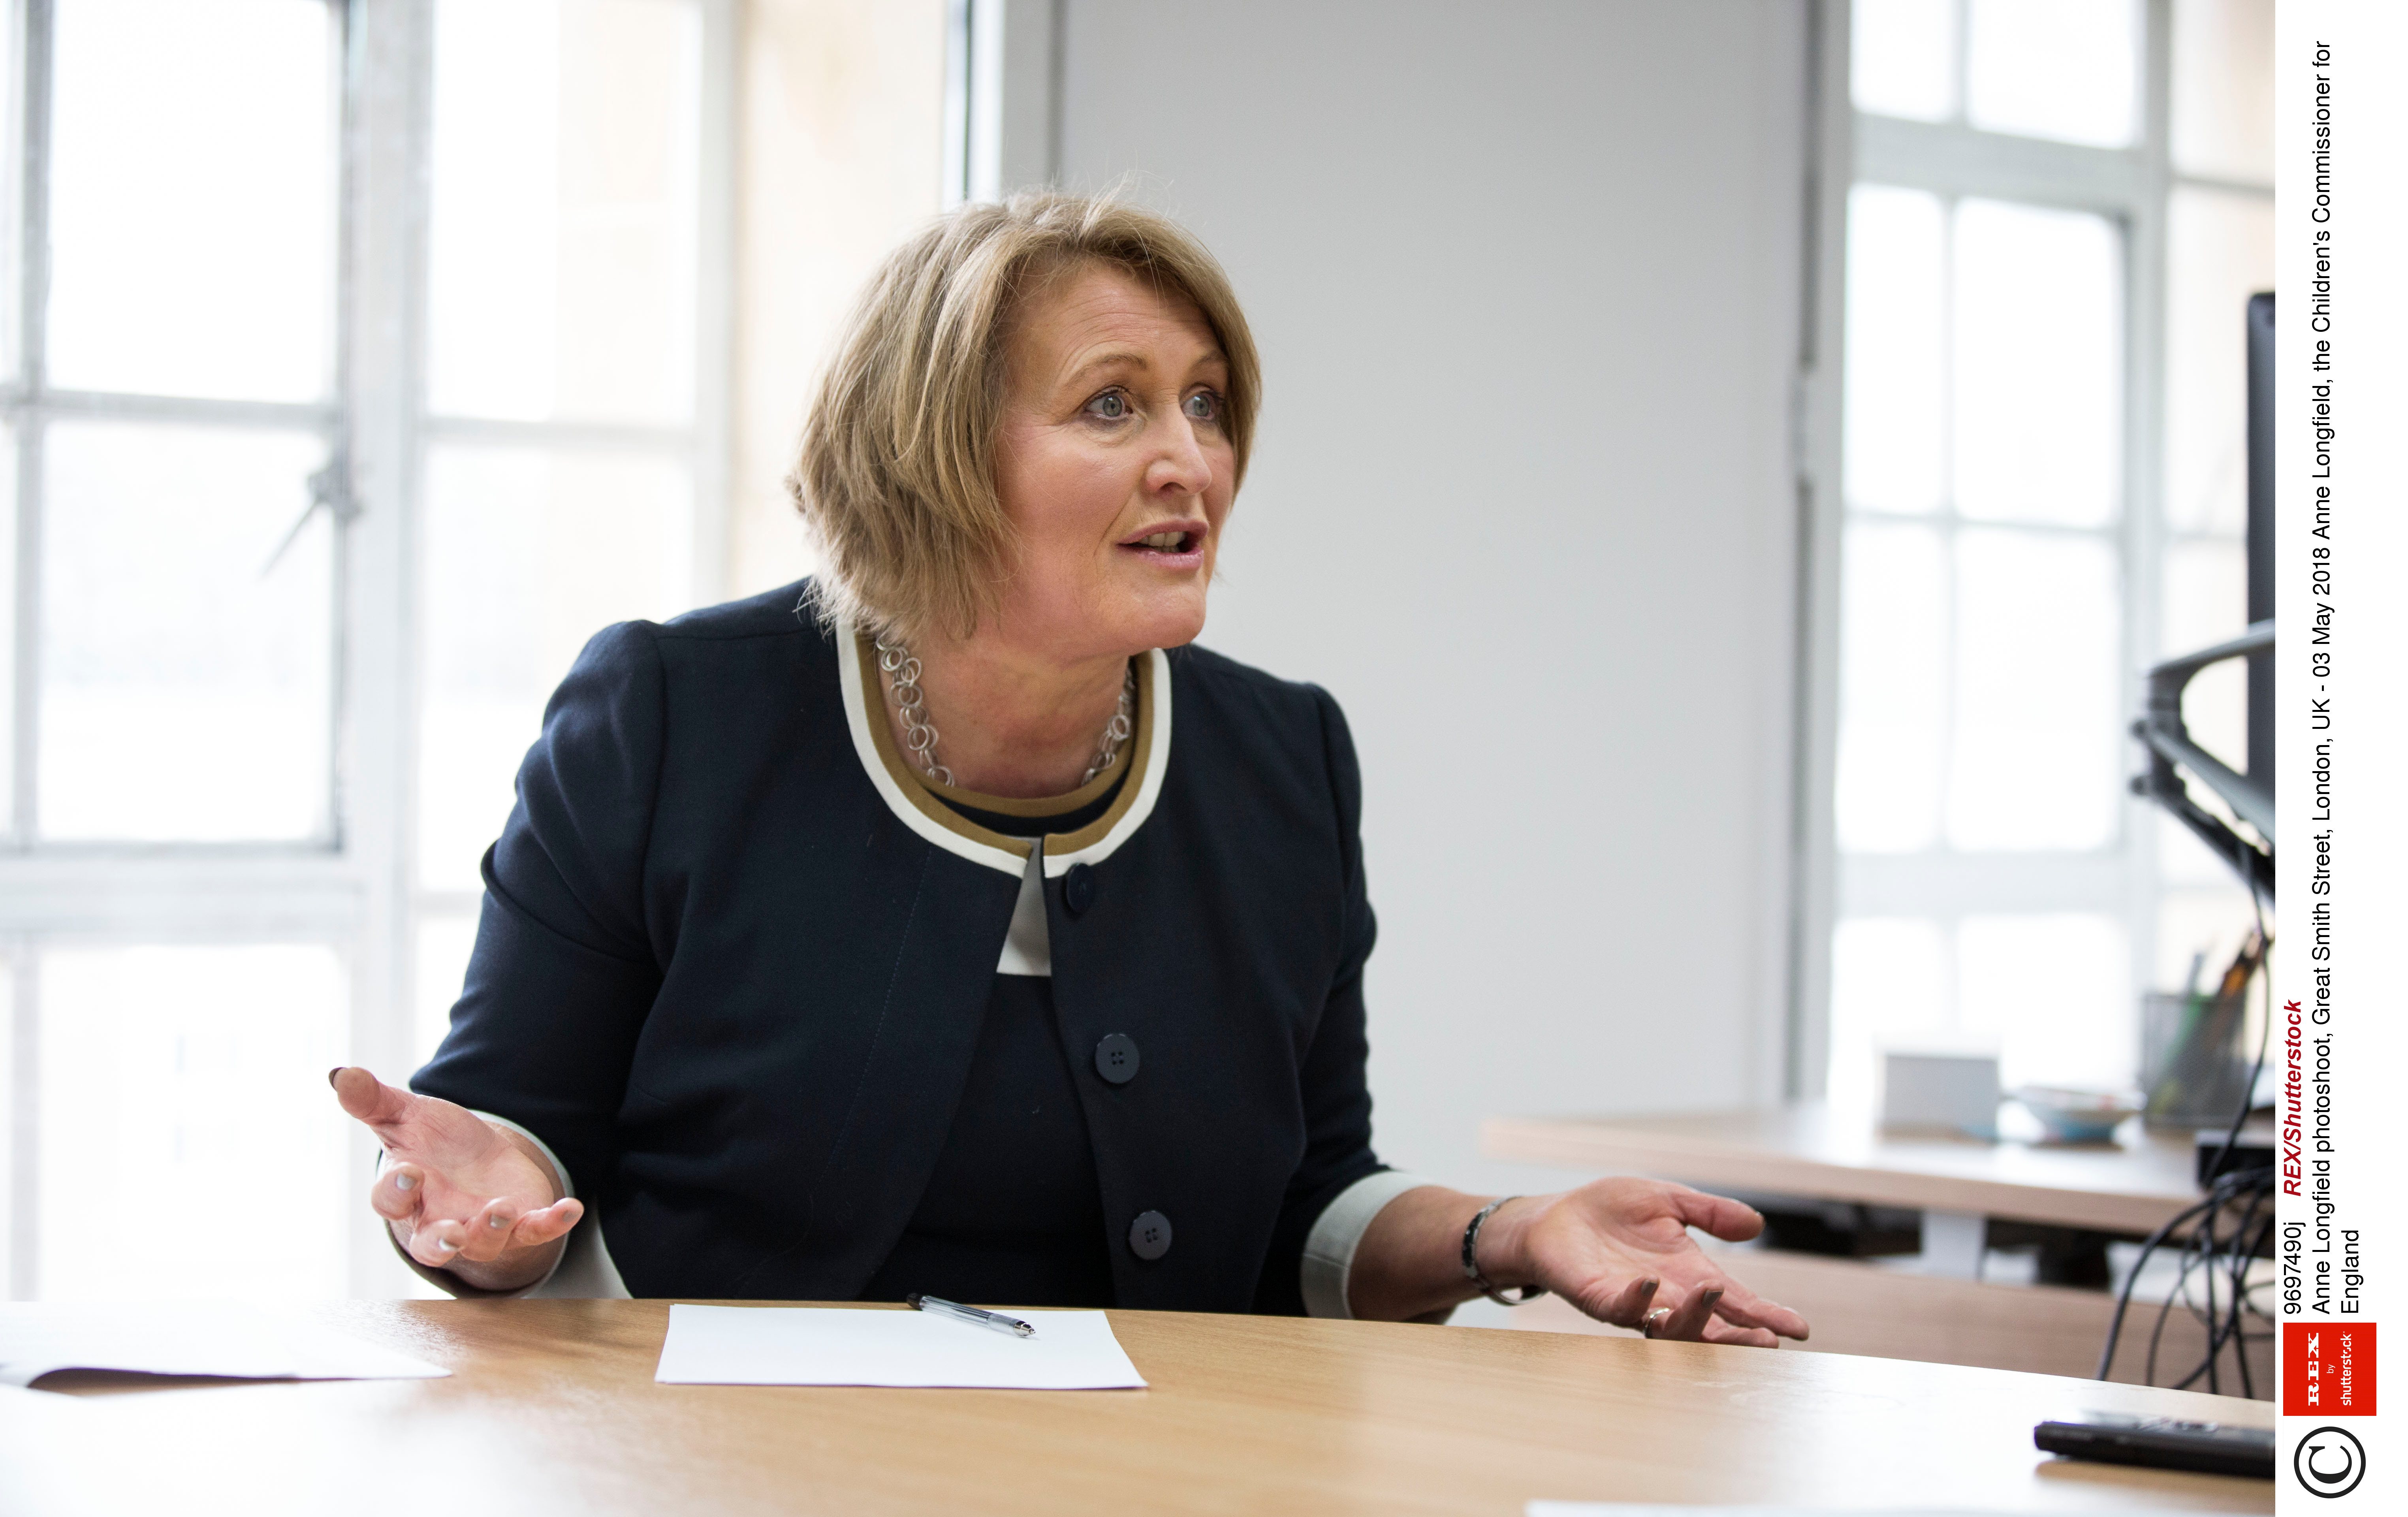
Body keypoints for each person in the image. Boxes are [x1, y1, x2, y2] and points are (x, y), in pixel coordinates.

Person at [331, 190, 1808, 1346]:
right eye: (1114, 404)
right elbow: (508, 1145)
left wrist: (1511, 1235)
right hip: (727, 1464)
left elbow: (1306, 1204)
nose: (1192, 462)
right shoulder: (673, 715)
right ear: (932, 454)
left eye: (1207, 403)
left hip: (1154, 1468)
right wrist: (482, 1207)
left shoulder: (1282, 757)